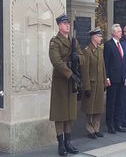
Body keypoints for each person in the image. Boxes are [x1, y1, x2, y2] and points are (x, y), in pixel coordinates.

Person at [49, 14, 84, 156]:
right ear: (59, 26)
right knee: (60, 114)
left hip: (72, 83)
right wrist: (70, 74)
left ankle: (68, 142)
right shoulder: (55, 42)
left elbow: (83, 57)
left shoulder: (73, 41)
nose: (67, 25)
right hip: (61, 82)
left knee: (69, 114)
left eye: (68, 23)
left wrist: (78, 59)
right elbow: (56, 61)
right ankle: (61, 145)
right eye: (64, 23)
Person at [81, 27, 106, 139]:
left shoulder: (100, 49)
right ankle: (90, 130)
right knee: (90, 109)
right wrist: (86, 86)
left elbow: (103, 67)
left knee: (98, 108)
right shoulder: (87, 51)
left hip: (100, 83)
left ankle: (96, 129)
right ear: (94, 37)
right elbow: (85, 71)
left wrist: (105, 81)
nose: (101, 38)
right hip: (91, 84)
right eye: (99, 36)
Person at [104, 24, 126, 134]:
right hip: (112, 79)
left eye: (121, 31)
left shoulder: (120, 44)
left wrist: (125, 76)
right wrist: (107, 77)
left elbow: (123, 62)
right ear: (113, 33)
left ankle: (118, 123)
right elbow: (106, 63)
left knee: (119, 102)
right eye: (118, 31)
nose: (120, 33)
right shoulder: (109, 45)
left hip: (121, 79)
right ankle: (110, 124)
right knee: (111, 102)